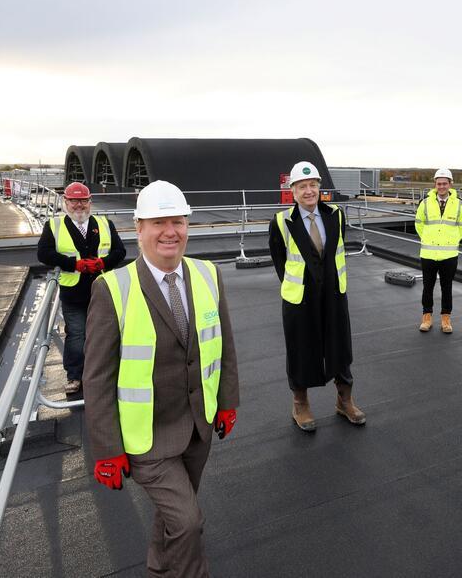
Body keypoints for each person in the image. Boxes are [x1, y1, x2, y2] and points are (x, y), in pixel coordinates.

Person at [83, 180, 240, 577]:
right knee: (188, 521)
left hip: (197, 429)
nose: (170, 231)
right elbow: (97, 378)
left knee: (174, 519)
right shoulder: (112, 289)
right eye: (158, 222)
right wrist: (107, 448)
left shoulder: (208, 275)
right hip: (146, 438)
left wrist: (227, 402)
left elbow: (224, 346)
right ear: (139, 228)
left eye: (178, 221)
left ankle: (158, 567)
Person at [268, 161, 365, 432]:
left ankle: (344, 400)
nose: (309, 191)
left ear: (320, 187)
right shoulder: (282, 221)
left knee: (340, 347)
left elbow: (337, 252)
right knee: (300, 349)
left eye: (313, 185)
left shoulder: (336, 215)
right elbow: (279, 260)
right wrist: (299, 285)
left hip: (334, 294)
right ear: (293, 191)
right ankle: (300, 404)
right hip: (300, 298)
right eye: (302, 186)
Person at [37, 181, 125, 394]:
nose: (79, 205)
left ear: (89, 202)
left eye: (83, 201)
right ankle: (75, 376)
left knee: (106, 333)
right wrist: (73, 264)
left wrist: (103, 263)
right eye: (74, 201)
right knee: (76, 335)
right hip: (74, 293)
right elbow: (44, 254)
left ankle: (106, 373)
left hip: (103, 291)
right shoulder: (54, 226)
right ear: (65, 202)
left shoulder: (104, 224)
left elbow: (119, 251)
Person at [415, 168, 462, 333]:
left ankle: (446, 319)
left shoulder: (459, 204)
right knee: (427, 287)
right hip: (429, 253)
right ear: (435, 184)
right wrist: (428, 239)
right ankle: (427, 317)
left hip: (449, 254)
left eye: (445, 183)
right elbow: (419, 224)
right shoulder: (425, 203)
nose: (442, 186)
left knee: (447, 287)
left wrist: (451, 240)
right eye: (439, 183)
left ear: (450, 184)